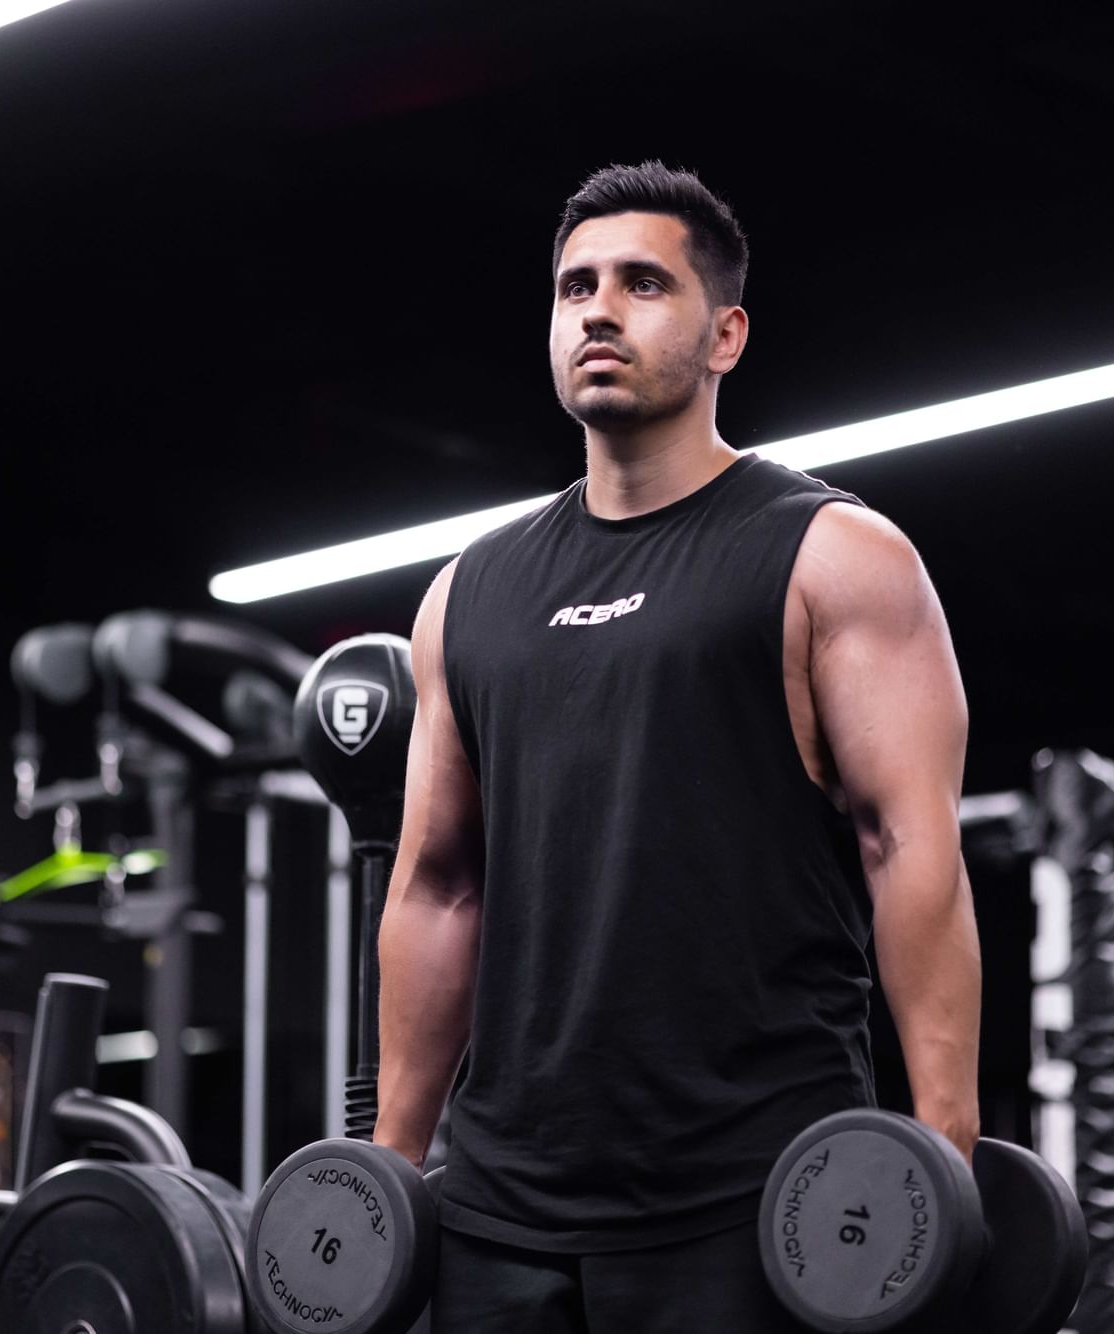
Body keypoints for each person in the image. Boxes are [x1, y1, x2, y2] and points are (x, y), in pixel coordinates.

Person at [373, 160, 981, 1332]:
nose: (596, 310)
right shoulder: (467, 593)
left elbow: (907, 844)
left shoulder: (833, 555)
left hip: (757, 1195)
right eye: (572, 287)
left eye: (642, 283)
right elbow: (437, 883)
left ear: (725, 334)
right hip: (501, 1203)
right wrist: (389, 1167)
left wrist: (938, 1145)